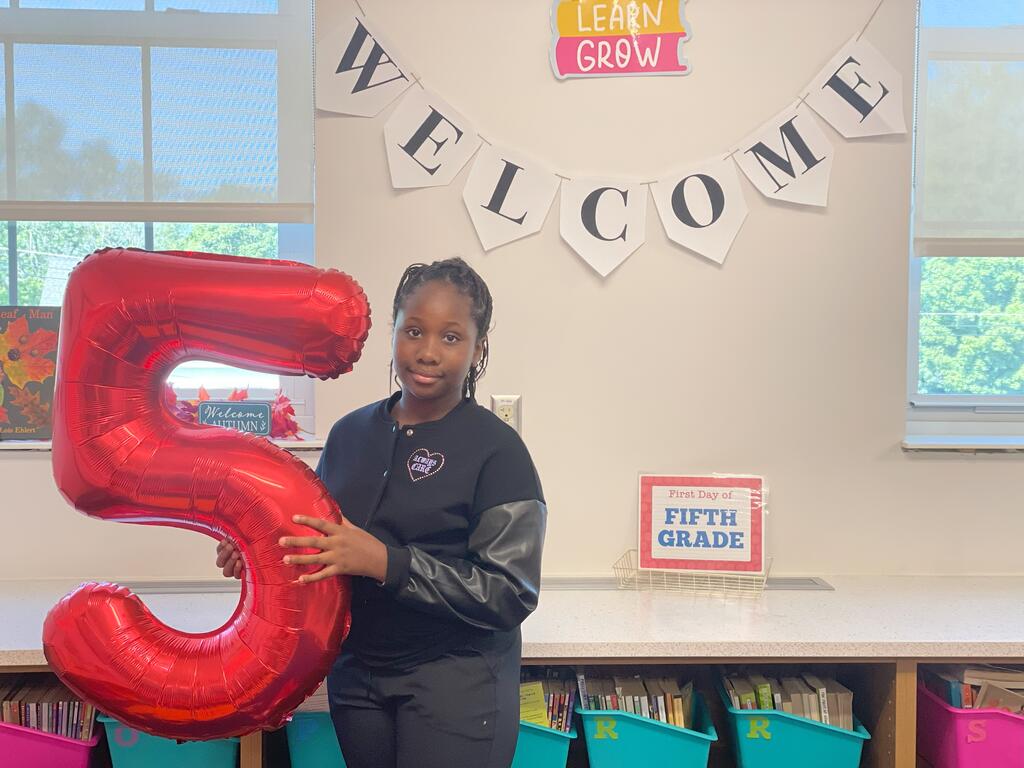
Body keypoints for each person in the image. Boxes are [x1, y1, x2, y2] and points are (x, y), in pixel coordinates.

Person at [216, 257, 546, 768]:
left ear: (478, 348)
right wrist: (260, 553)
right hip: (359, 677)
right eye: (414, 331)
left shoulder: (498, 451)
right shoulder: (349, 435)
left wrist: (386, 562)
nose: (428, 352)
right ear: (393, 332)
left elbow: (509, 591)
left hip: (458, 683)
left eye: (451, 337)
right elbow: (324, 545)